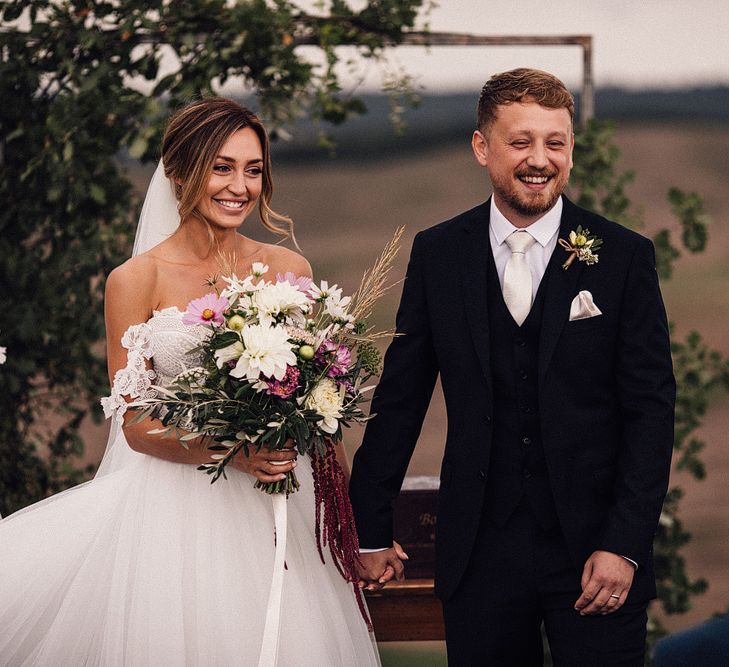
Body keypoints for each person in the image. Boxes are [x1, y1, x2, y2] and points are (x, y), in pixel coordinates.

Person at [0, 97, 379, 666]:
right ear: (179, 171)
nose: (240, 186)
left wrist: (348, 524)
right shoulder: (135, 279)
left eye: (253, 170)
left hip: (282, 511)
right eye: (221, 167)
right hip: (177, 515)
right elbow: (134, 423)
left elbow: (318, 409)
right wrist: (232, 449)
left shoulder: (289, 271)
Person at [349, 68, 675, 666]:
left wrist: (624, 545)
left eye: (555, 142)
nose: (539, 159)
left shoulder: (624, 256)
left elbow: (651, 411)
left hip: (595, 554)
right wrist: (368, 526)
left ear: (571, 150)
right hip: (479, 552)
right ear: (482, 147)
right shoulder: (439, 253)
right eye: (520, 141)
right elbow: (401, 398)